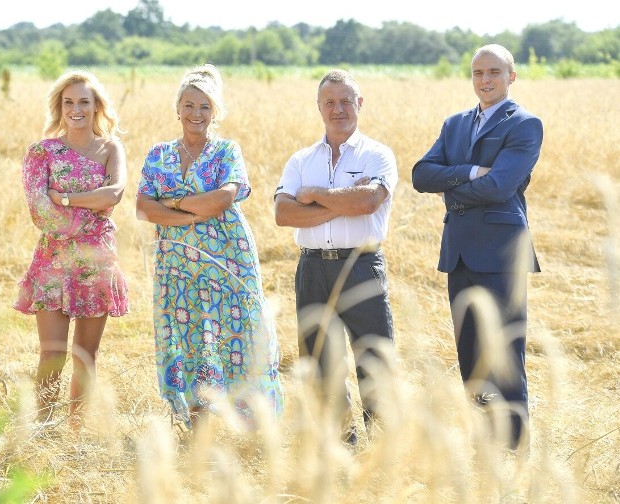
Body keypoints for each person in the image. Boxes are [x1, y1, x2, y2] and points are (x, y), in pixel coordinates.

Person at [136, 64, 283, 430]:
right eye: (188, 105)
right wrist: (190, 211)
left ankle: (252, 422)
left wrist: (170, 205)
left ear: (214, 112)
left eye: (204, 107)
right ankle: (195, 420)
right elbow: (142, 207)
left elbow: (222, 200)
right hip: (176, 262)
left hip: (227, 259)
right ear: (178, 108)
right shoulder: (158, 154)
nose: (195, 114)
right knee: (186, 335)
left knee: (236, 333)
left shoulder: (227, 151)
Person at [412, 44, 542, 451]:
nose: (484, 80)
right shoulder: (454, 124)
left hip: (503, 252)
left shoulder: (523, 123)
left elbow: (501, 184)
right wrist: (468, 171)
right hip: (460, 253)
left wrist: (452, 192)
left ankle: (514, 446)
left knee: (504, 348)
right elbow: (420, 174)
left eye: (494, 73)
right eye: (477, 73)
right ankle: (486, 437)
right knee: (470, 351)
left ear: (511, 77)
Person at [274, 68, 398, 445]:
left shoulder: (378, 154)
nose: (338, 108)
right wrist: (342, 201)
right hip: (312, 268)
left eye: (346, 101)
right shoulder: (300, 160)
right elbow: (284, 214)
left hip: (361, 265)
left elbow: (368, 200)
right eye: (330, 102)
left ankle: (384, 449)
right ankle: (342, 445)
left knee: (374, 357)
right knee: (319, 362)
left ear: (359, 104)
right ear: (319, 107)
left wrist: (313, 194)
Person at [13, 69, 128, 423]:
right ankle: (42, 427)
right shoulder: (42, 152)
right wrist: (89, 209)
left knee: (85, 355)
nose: (76, 109)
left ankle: (75, 432)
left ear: (97, 107)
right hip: (53, 261)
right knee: (52, 354)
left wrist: (64, 198)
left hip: (97, 260)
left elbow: (115, 194)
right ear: (59, 108)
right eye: (68, 102)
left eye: (83, 102)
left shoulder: (111, 148)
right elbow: (39, 212)